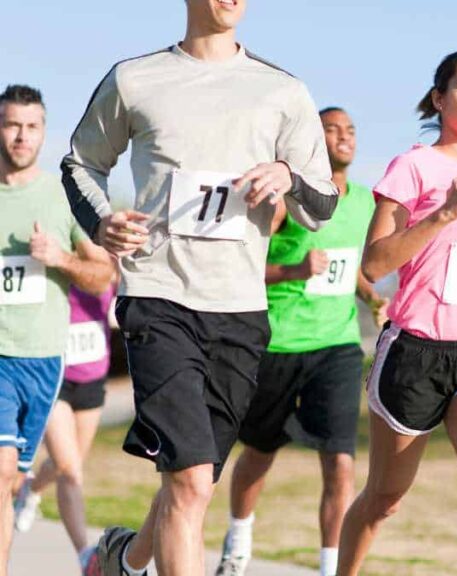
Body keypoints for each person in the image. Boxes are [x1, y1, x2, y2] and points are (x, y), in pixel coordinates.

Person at [61, 0, 338, 573]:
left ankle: (122, 558)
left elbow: (323, 203)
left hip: (239, 308)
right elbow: (81, 164)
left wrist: (287, 176)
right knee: (187, 481)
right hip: (158, 298)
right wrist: (101, 222)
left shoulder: (282, 91)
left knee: (195, 483)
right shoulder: (135, 78)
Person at [334, 49, 457, 576]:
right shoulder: (412, 166)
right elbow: (374, 264)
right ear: (440, 98)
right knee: (383, 500)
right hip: (415, 352)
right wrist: (443, 213)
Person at [216, 106, 387, 576]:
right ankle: (238, 541)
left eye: (351, 129)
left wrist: (373, 299)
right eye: (332, 129)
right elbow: (244, 263)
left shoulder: (365, 203)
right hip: (278, 344)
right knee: (258, 454)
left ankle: (331, 568)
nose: (345, 136)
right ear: (313, 139)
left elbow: (352, 268)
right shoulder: (287, 200)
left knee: (341, 463)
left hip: (337, 346)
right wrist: (293, 269)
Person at [0, 84, 115, 576]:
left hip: (45, 359)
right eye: (11, 125)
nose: (20, 136)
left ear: (44, 132)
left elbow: (103, 273)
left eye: (31, 126)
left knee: (12, 482)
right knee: (2, 471)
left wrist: (60, 258)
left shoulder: (60, 197)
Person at [13, 277, 117, 572]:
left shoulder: (106, 268)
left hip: (93, 379)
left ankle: (31, 490)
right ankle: (86, 555)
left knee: (65, 466)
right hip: (54, 378)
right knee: (70, 469)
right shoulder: (55, 272)